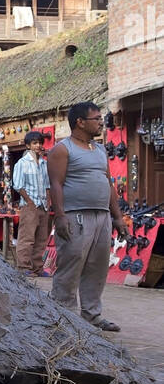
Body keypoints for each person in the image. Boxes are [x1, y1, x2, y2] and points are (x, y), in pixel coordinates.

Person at [47, 101, 129, 332]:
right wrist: (60, 216)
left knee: (98, 266)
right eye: (97, 119)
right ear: (80, 122)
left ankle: (92, 316)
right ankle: (63, 316)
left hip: (102, 215)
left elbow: (108, 183)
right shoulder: (62, 149)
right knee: (71, 263)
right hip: (75, 216)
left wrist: (118, 217)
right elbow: (56, 184)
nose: (101, 122)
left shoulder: (100, 150)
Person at [12, 131, 51, 275]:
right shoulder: (22, 163)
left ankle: (37, 267)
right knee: (27, 237)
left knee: (41, 238)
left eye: (40, 143)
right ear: (28, 145)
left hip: (43, 205)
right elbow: (18, 185)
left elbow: (48, 185)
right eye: (34, 143)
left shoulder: (44, 163)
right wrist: (29, 202)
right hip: (29, 206)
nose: (38, 145)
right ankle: (24, 267)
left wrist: (48, 202)